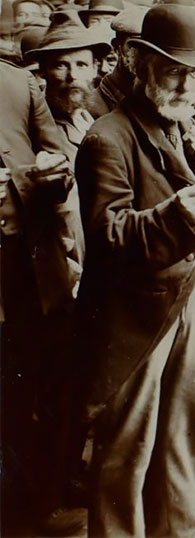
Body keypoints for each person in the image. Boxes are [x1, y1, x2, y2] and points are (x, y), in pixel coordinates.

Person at [74, 4, 195, 537]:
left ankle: (179, 530)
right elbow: (109, 236)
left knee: (183, 427)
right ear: (140, 66)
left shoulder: (183, 126)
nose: (186, 86)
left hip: (190, 293)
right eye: (172, 72)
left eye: (193, 74)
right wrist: (174, 215)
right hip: (135, 315)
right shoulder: (108, 138)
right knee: (129, 440)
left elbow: (194, 197)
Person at [0, 59, 85, 536]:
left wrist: (51, 174)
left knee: (50, 382)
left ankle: (44, 500)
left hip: (32, 267)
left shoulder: (17, 83)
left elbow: (60, 168)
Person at [27, 10, 112, 159]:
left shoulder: (95, 115)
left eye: (81, 65)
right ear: (43, 71)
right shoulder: (36, 124)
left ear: (94, 69)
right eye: (61, 66)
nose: (73, 75)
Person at [91, 6, 148, 117]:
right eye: (134, 46)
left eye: (151, 47)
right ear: (117, 47)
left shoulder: (158, 96)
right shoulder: (95, 106)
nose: (143, 54)